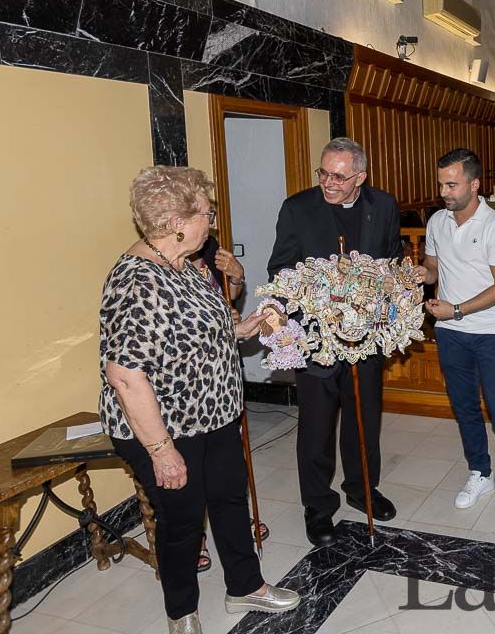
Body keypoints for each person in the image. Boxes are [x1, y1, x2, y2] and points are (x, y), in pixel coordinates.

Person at [100, 166, 299, 634]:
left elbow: (207, 329)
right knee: (182, 522)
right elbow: (126, 376)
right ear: (177, 223)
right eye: (206, 213)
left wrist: (244, 328)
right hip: (166, 427)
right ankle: (181, 614)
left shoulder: (185, 265)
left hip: (216, 414)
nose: (211, 221)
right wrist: (161, 450)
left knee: (230, 500)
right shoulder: (137, 282)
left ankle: (245, 587)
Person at [267, 137, 402, 547]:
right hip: (316, 340)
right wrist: (314, 299)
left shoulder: (384, 206)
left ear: (360, 176)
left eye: (339, 176)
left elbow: (392, 262)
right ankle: (318, 508)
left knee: (365, 419)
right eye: (323, 173)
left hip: (366, 339)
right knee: (316, 426)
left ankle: (362, 489)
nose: (328, 183)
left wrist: (383, 296)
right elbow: (281, 269)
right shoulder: (297, 208)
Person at [415, 148, 495, 529]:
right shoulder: (436, 222)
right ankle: (480, 473)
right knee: (464, 408)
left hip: (489, 332)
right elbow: (434, 268)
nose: (445, 191)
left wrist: (458, 309)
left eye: (452, 184)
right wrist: (421, 274)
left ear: (474, 184)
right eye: (441, 184)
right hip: (451, 334)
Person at [186, 237, 270, 573]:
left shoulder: (209, 255)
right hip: (189, 387)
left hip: (222, 379)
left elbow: (225, 302)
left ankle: (236, 521)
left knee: (228, 461)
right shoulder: (163, 269)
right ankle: (197, 538)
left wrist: (235, 277)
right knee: (195, 464)